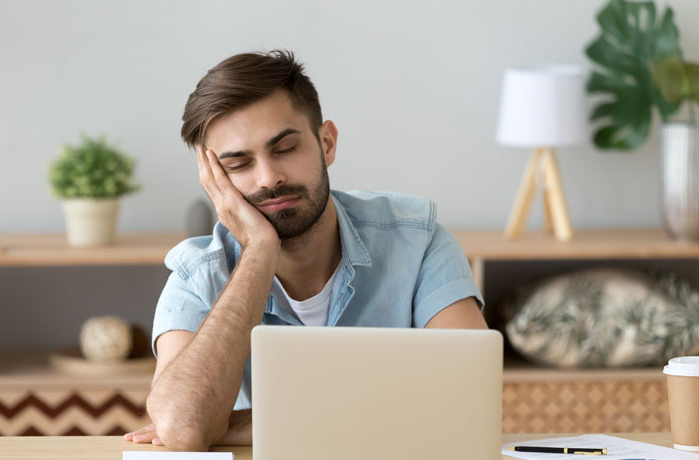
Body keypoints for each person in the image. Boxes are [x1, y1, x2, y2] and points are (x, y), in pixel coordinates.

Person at [124, 49, 488, 451]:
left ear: (326, 142)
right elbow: (183, 428)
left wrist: (232, 423)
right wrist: (260, 250)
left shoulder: (418, 241)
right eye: (239, 165)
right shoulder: (198, 274)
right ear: (214, 182)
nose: (269, 178)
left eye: (284, 149)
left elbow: (467, 402)